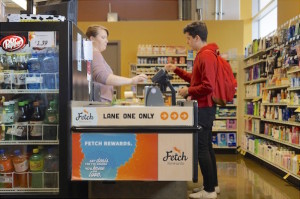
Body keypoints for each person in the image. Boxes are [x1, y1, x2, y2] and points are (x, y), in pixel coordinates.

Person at [165, 21, 219, 199]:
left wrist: (188, 90)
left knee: (202, 147)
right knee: (208, 147)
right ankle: (212, 185)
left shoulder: (205, 56)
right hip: (206, 107)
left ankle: (209, 191)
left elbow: (207, 86)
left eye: (188, 39)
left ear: (197, 37)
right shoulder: (204, 55)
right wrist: (177, 70)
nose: (187, 42)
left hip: (203, 108)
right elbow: (195, 79)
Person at [86, 25, 147, 102]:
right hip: (100, 102)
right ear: (92, 39)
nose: (107, 41)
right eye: (103, 37)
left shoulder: (92, 54)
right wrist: (131, 80)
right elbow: (103, 77)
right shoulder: (95, 54)